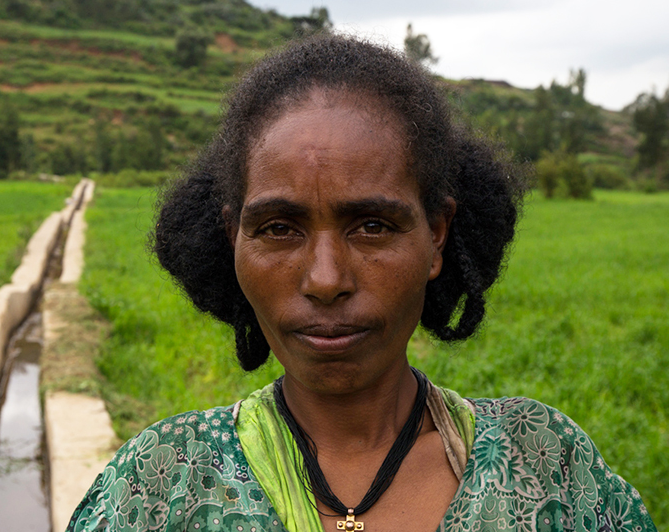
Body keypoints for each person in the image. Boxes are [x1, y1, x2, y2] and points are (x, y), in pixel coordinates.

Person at [67, 34, 656, 532]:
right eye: (278, 228)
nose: (325, 280)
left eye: (372, 225)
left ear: (438, 237)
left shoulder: (549, 466)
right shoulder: (158, 485)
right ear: (232, 241)